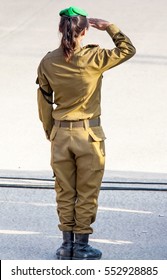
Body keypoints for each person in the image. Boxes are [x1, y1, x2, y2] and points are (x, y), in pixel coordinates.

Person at [36, 6, 136, 260]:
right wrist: (110, 27)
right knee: (87, 191)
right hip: (88, 136)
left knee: (64, 190)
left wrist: (52, 132)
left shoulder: (47, 61)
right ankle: (81, 246)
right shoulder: (95, 57)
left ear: (60, 29)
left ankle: (66, 245)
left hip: (60, 135)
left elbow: (44, 100)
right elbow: (128, 50)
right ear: (86, 29)